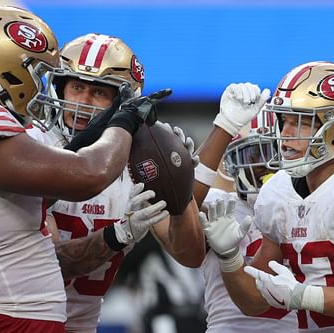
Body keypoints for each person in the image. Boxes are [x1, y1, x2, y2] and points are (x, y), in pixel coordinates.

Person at [0, 7, 167, 333]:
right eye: (35, 70)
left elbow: (54, 179)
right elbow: (89, 174)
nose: (40, 84)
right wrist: (125, 119)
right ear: (3, 65)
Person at [198, 61, 334, 332]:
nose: (286, 134)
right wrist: (230, 257)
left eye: (300, 122)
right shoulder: (277, 191)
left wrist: (304, 296)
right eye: (284, 120)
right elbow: (254, 301)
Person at [27, 33, 204, 333]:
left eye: (98, 93)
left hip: (82, 325)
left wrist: (179, 183)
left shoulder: (136, 162)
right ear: (59, 88)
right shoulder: (34, 144)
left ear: (123, 102)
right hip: (21, 319)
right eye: (77, 87)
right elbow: (50, 265)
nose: (83, 102)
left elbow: (189, 254)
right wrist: (119, 234)